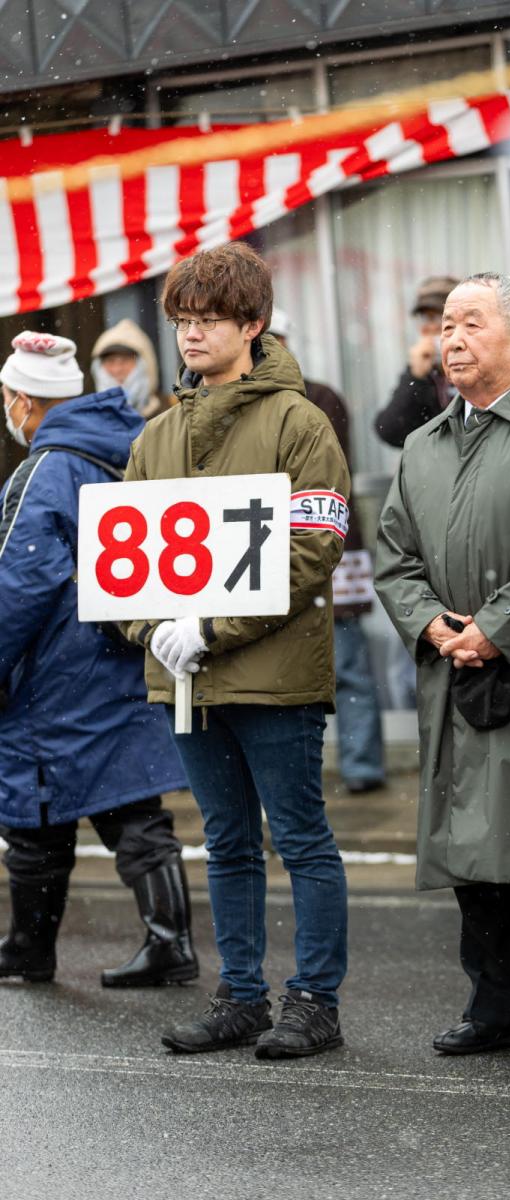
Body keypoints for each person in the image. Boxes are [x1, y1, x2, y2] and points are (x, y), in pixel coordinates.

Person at [119, 243, 351, 1060]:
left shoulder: (299, 421)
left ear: (252, 323)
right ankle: (241, 996)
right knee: (224, 841)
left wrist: (211, 628)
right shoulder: (155, 437)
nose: (191, 334)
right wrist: (154, 631)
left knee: (300, 838)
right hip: (188, 680)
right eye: (182, 319)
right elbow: (122, 565)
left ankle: (314, 1002)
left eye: (209, 319)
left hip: (274, 675)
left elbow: (314, 545)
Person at [375, 273, 510, 1060]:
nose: (451, 338)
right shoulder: (424, 444)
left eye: (471, 323)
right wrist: (432, 625)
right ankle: (496, 999)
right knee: (471, 842)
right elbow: (393, 557)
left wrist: (496, 629)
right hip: (452, 668)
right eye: (445, 325)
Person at [0, 331, 196, 988]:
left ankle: (29, 947)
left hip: (55, 672)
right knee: (133, 807)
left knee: (35, 813)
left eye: (7, 396)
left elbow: (18, 584)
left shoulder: (45, 469)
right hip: (121, 655)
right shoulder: (125, 449)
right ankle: (170, 942)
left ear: (25, 399)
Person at [269, 308, 385, 794]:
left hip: (329, 540)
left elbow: (327, 476)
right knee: (284, 670)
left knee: (350, 663)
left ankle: (361, 766)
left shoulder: (319, 398)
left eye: (274, 338)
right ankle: (300, 775)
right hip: (268, 546)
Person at [373, 275, 458, 447]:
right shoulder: (425, 370)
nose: (427, 327)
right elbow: (390, 431)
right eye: (423, 318)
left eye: (436, 318)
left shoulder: (477, 364)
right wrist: (415, 376)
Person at [91, 318, 172, 419]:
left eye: (125, 361)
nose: (117, 370)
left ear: (145, 365)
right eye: (110, 361)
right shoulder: (89, 418)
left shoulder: (169, 414)